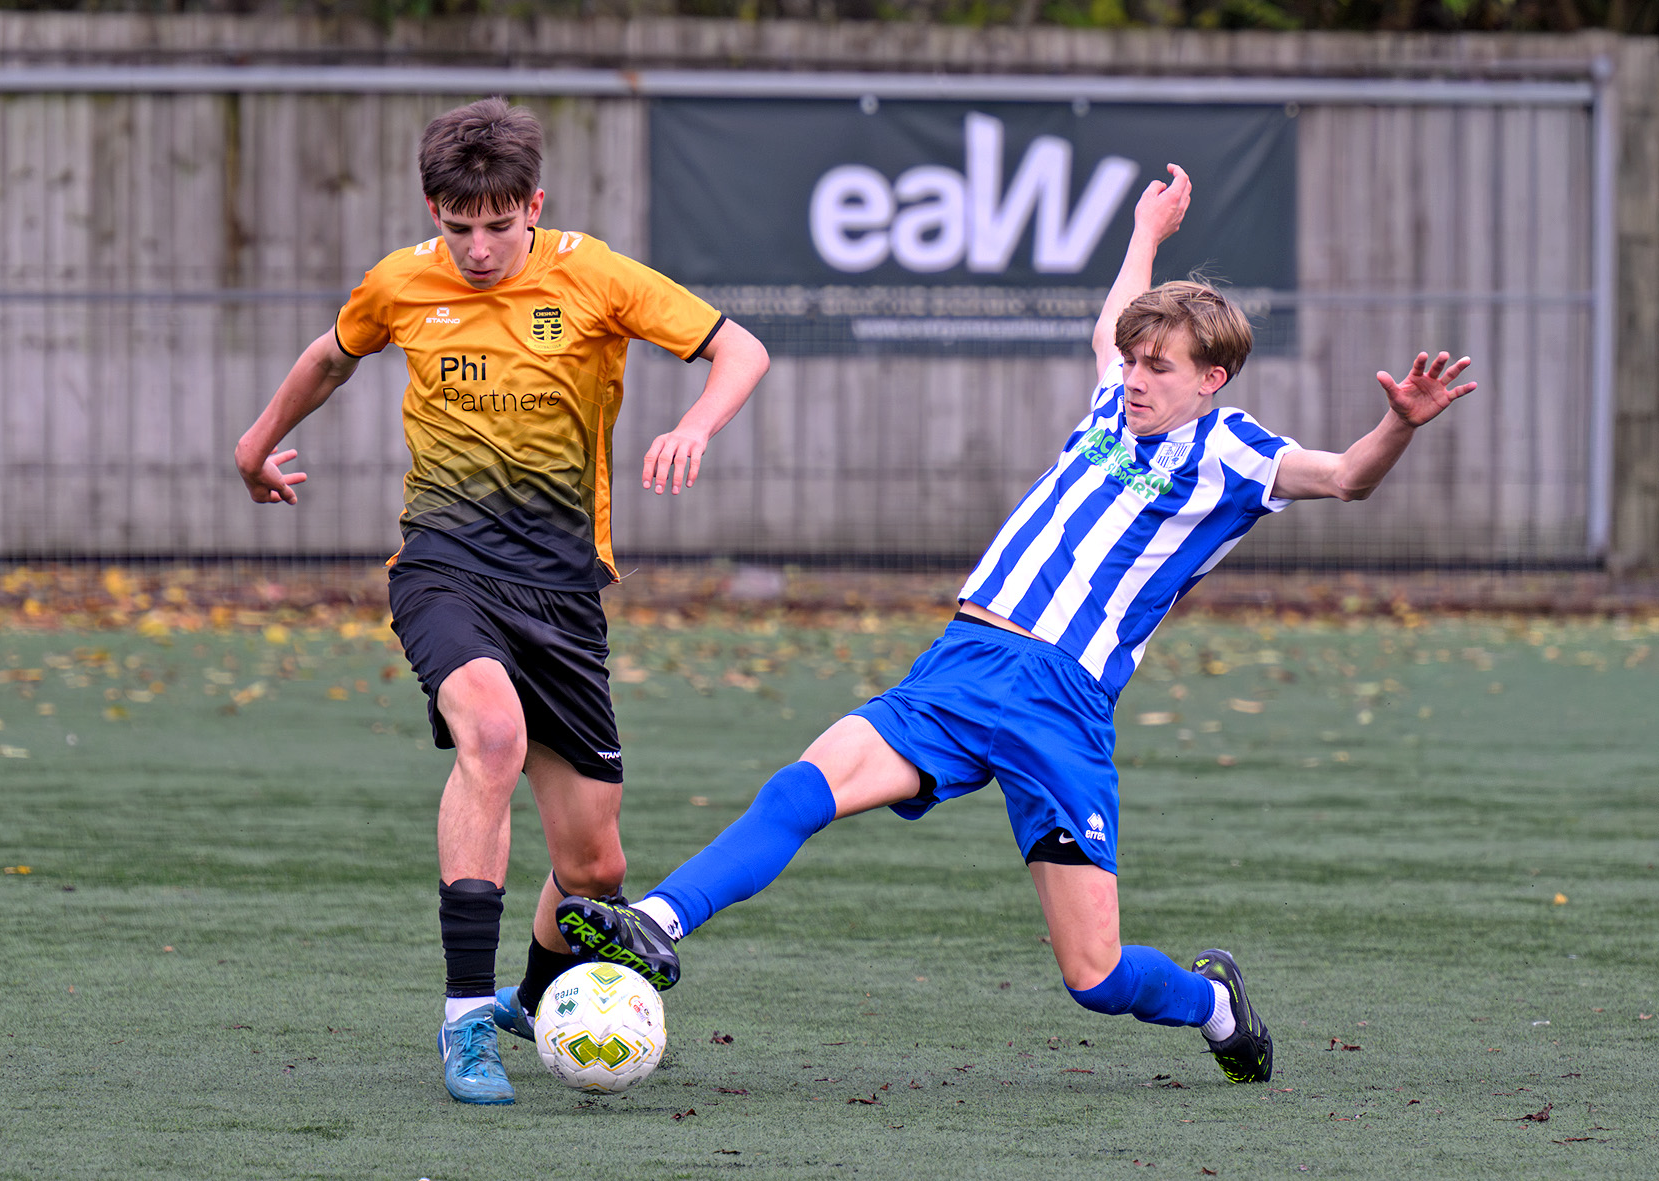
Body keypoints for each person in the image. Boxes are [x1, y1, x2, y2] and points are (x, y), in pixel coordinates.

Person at [553, 163, 1475, 1086]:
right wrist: (1145, 233)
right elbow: (1113, 321)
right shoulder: (1113, 400)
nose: (1136, 377)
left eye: (1159, 367)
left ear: (1213, 378)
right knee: (807, 784)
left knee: (1095, 975)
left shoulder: (1233, 449)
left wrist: (1400, 424)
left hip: (1060, 703)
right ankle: (658, 920)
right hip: (965, 661)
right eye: (1133, 360)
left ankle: (1214, 1004)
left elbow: (1346, 477)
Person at [234, 98, 769, 1105]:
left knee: (594, 868)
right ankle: (465, 1019)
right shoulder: (401, 281)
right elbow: (329, 356)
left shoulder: (594, 274)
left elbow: (739, 349)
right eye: (457, 226)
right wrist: (254, 445)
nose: (477, 248)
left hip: (562, 593)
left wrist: (695, 424)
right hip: (443, 569)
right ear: (431, 212)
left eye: (497, 224)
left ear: (534, 204)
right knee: (491, 736)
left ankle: (530, 998)